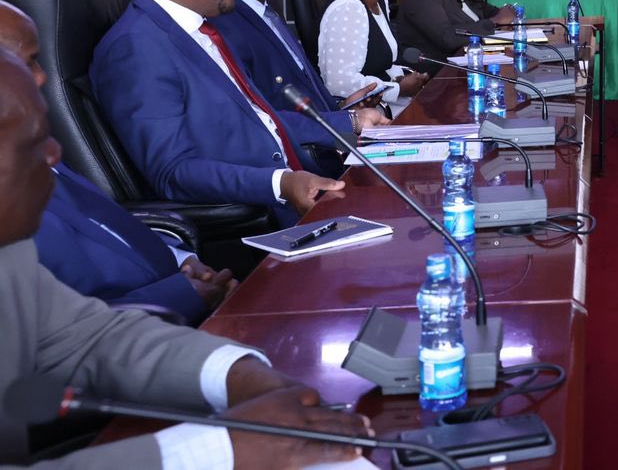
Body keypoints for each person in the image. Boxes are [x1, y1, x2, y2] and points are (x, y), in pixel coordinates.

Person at [0, 50, 371, 468]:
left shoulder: (10, 256)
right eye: (29, 141)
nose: (54, 155)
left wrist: (237, 374)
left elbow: (86, 337)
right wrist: (224, 449)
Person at [92, 0, 345, 227]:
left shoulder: (201, 29)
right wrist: (279, 184)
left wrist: (347, 126)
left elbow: (260, 119)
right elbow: (173, 171)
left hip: (300, 188)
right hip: (256, 217)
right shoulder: (137, 47)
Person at [0, 2, 234, 325]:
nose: (41, 77)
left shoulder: (26, 140)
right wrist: (184, 296)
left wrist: (180, 260)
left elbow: (105, 221)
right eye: (27, 62)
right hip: (129, 333)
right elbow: (59, 331)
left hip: (167, 304)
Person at [211, 0, 388, 168]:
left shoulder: (267, 11)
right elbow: (258, 116)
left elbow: (299, 87)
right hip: (302, 162)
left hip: (331, 141)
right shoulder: (227, 26)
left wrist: (342, 107)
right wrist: (344, 121)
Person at [319, 0, 428, 111]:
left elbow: (382, 62)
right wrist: (398, 89)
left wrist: (401, 77)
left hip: (385, 105)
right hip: (364, 114)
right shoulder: (348, 8)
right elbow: (339, 83)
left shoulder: (380, 0)